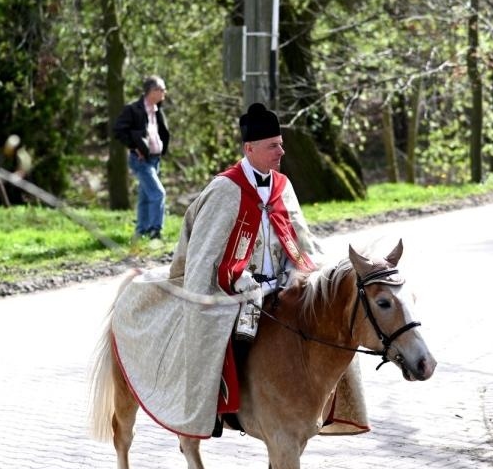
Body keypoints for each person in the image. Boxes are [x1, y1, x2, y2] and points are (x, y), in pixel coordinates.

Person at [111, 101, 369, 438]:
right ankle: (214, 407)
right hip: (232, 289)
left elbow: (302, 242)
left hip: (284, 285)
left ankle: (322, 405)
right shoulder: (224, 190)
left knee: (334, 318)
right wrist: (242, 281)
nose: (281, 151)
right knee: (212, 334)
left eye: (280, 143)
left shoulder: (283, 187)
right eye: (273, 145)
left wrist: (297, 272)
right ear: (250, 148)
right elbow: (206, 255)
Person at [113, 74, 170, 239]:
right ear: (152, 91)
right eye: (162, 89)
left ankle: (140, 231)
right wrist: (133, 146)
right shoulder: (133, 109)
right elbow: (118, 130)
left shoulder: (158, 109)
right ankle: (155, 231)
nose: (164, 92)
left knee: (146, 196)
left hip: (155, 159)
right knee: (158, 193)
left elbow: (161, 133)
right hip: (141, 160)